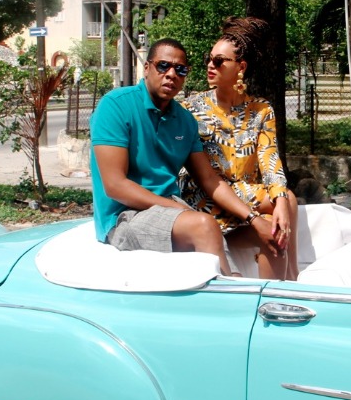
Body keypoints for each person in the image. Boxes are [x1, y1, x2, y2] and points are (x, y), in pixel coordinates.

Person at [90, 38, 280, 276]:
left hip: (172, 210)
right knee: (204, 225)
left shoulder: (184, 120)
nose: (171, 74)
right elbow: (115, 186)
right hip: (124, 215)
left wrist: (253, 219)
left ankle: (263, 289)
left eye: (180, 69)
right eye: (163, 66)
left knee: (269, 234)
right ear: (147, 68)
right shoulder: (116, 105)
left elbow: (209, 179)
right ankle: (226, 293)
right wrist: (178, 208)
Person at [180, 17, 299, 280]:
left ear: (241, 67)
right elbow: (203, 177)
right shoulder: (192, 109)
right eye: (209, 58)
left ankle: (288, 281)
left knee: (283, 209)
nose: (210, 65)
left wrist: (280, 202)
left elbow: (270, 160)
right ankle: (292, 277)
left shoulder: (261, 110)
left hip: (245, 196)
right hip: (207, 197)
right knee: (285, 203)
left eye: (219, 61)